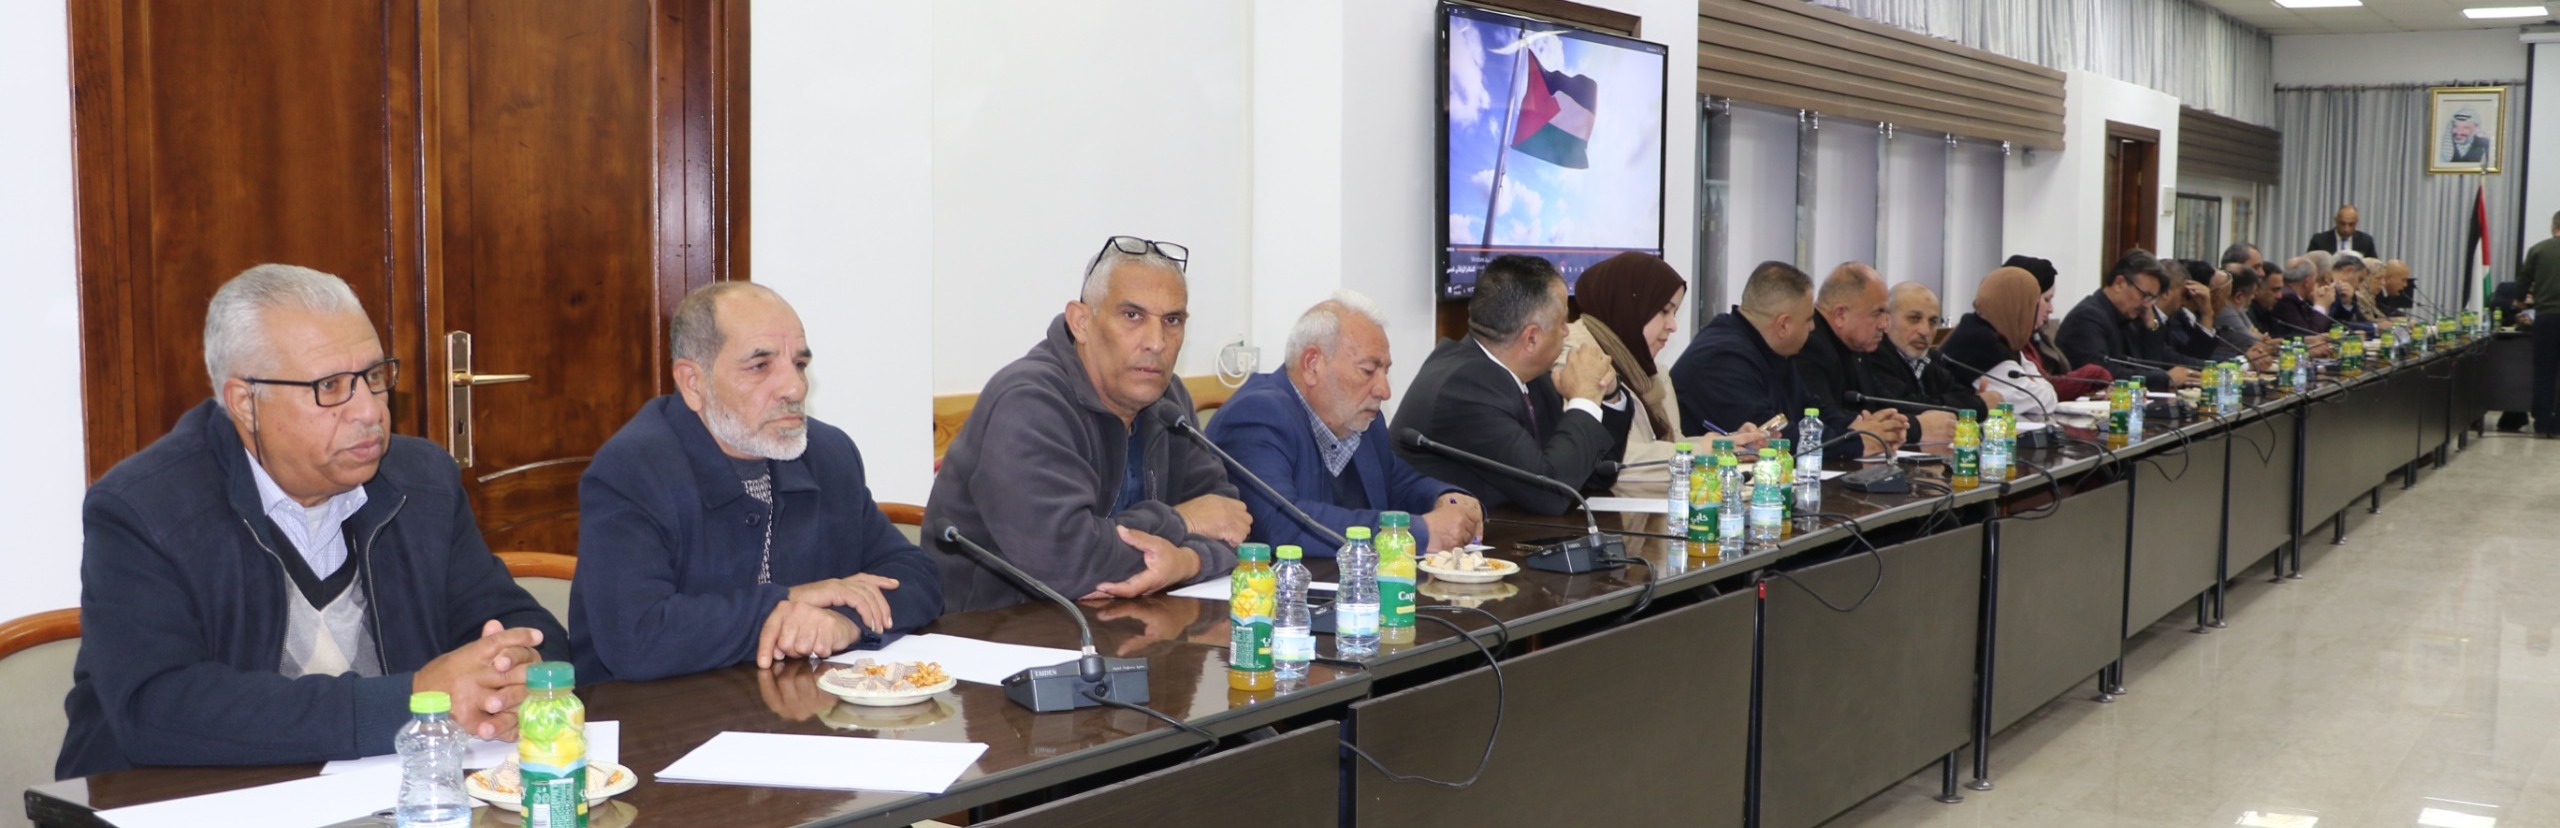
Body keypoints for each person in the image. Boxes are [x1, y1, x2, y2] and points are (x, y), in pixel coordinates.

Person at [60, 264, 566, 779]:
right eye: (330, 386)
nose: (369, 411)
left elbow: (526, 627)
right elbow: (156, 708)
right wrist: (411, 700)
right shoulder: (144, 509)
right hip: (183, 801)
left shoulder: (422, 483)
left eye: (373, 377)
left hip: (386, 797)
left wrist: (514, 674)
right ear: (245, 403)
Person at [571, 283, 943, 683]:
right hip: (660, 715)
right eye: (760, 366)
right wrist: (786, 602)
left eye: (799, 364)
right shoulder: (632, 471)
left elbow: (916, 576)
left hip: (797, 706)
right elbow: (637, 637)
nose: (794, 387)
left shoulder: (827, 455)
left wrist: (844, 619)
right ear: (693, 382)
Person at [928, 236, 1249, 612]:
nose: (1157, 342)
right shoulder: (1028, 402)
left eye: (1172, 320)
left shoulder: (1168, 400)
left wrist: (1187, 562)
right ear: (1081, 322)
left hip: (1123, 626)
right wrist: (1184, 521)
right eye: (1133, 316)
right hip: (995, 631)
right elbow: (1066, 561)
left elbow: (1231, 521)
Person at [1202, 291, 1482, 554]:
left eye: (1385, 372)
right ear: (1312, 364)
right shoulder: (1257, 415)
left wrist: (1446, 497)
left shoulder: (1361, 420)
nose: (1384, 391)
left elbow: (1399, 484)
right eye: (1368, 371)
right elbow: (1281, 524)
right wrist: (1416, 533)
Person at [1390, 255, 1627, 514]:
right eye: (1562, 322)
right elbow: (1551, 494)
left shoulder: (1529, 376)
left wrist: (1608, 393)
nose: (1566, 331)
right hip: (1451, 538)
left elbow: (1592, 476)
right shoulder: (1464, 389)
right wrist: (1584, 398)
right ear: (1531, 338)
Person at [1559, 252, 1769, 499]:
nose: (1673, 325)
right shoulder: (1575, 363)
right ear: (1627, 306)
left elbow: (1667, 446)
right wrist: (1701, 452)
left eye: (1674, 313)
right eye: (1663, 311)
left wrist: (1725, 445)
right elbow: (1610, 463)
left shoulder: (1650, 374)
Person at [1671, 261, 1903, 462]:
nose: (1813, 327)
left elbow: (1812, 411)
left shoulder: (1772, 348)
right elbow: (1771, 439)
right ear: (1783, 325)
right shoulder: (1721, 360)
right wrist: (1858, 442)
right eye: (1809, 319)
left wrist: (1858, 427)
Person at [1792, 263, 1946, 449]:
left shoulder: (1857, 343)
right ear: (1841, 315)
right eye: (1877, 313)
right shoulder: (1809, 344)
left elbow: (1882, 402)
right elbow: (1824, 419)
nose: (1884, 325)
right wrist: (1916, 427)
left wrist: (1935, 417)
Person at [2056, 249, 2195, 388]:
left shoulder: (2129, 317)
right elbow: (2103, 374)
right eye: (2145, 295)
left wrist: (2151, 325)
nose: (2147, 304)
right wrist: (2165, 378)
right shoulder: (2087, 318)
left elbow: (2150, 363)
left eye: (2151, 298)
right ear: (2119, 283)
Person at [1940, 267, 2062, 418]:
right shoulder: (1982, 344)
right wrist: (2040, 386)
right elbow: (2041, 402)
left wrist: (2039, 385)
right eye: (2033, 304)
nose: (2050, 309)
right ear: (2017, 306)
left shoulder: (1993, 333)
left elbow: (2039, 387)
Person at [1869, 281, 1997, 414]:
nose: (1925, 331)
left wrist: (1973, 401)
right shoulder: (1874, 355)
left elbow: (1961, 394)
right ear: (1887, 320)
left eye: (1932, 321)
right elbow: (1908, 407)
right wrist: (1975, 404)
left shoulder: (1931, 360)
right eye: (1914, 318)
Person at [2002, 254, 2112, 400]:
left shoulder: (2037, 337)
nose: (2051, 309)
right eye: (2047, 299)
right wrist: (2094, 374)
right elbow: (2045, 388)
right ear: (2026, 300)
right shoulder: (2008, 341)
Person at [2521, 211, 2560, 437]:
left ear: (2553, 227)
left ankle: (2542, 423)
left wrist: (2519, 300)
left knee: (2544, 372)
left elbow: (2524, 280)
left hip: (2546, 318)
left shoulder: (2538, 249)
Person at [2307, 205, 2379, 258]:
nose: (2346, 229)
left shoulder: (2366, 241)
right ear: (2336, 221)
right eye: (2342, 224)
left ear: (2357, 223)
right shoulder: (2319, 241)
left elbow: (2373, 267)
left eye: (2351, 224)